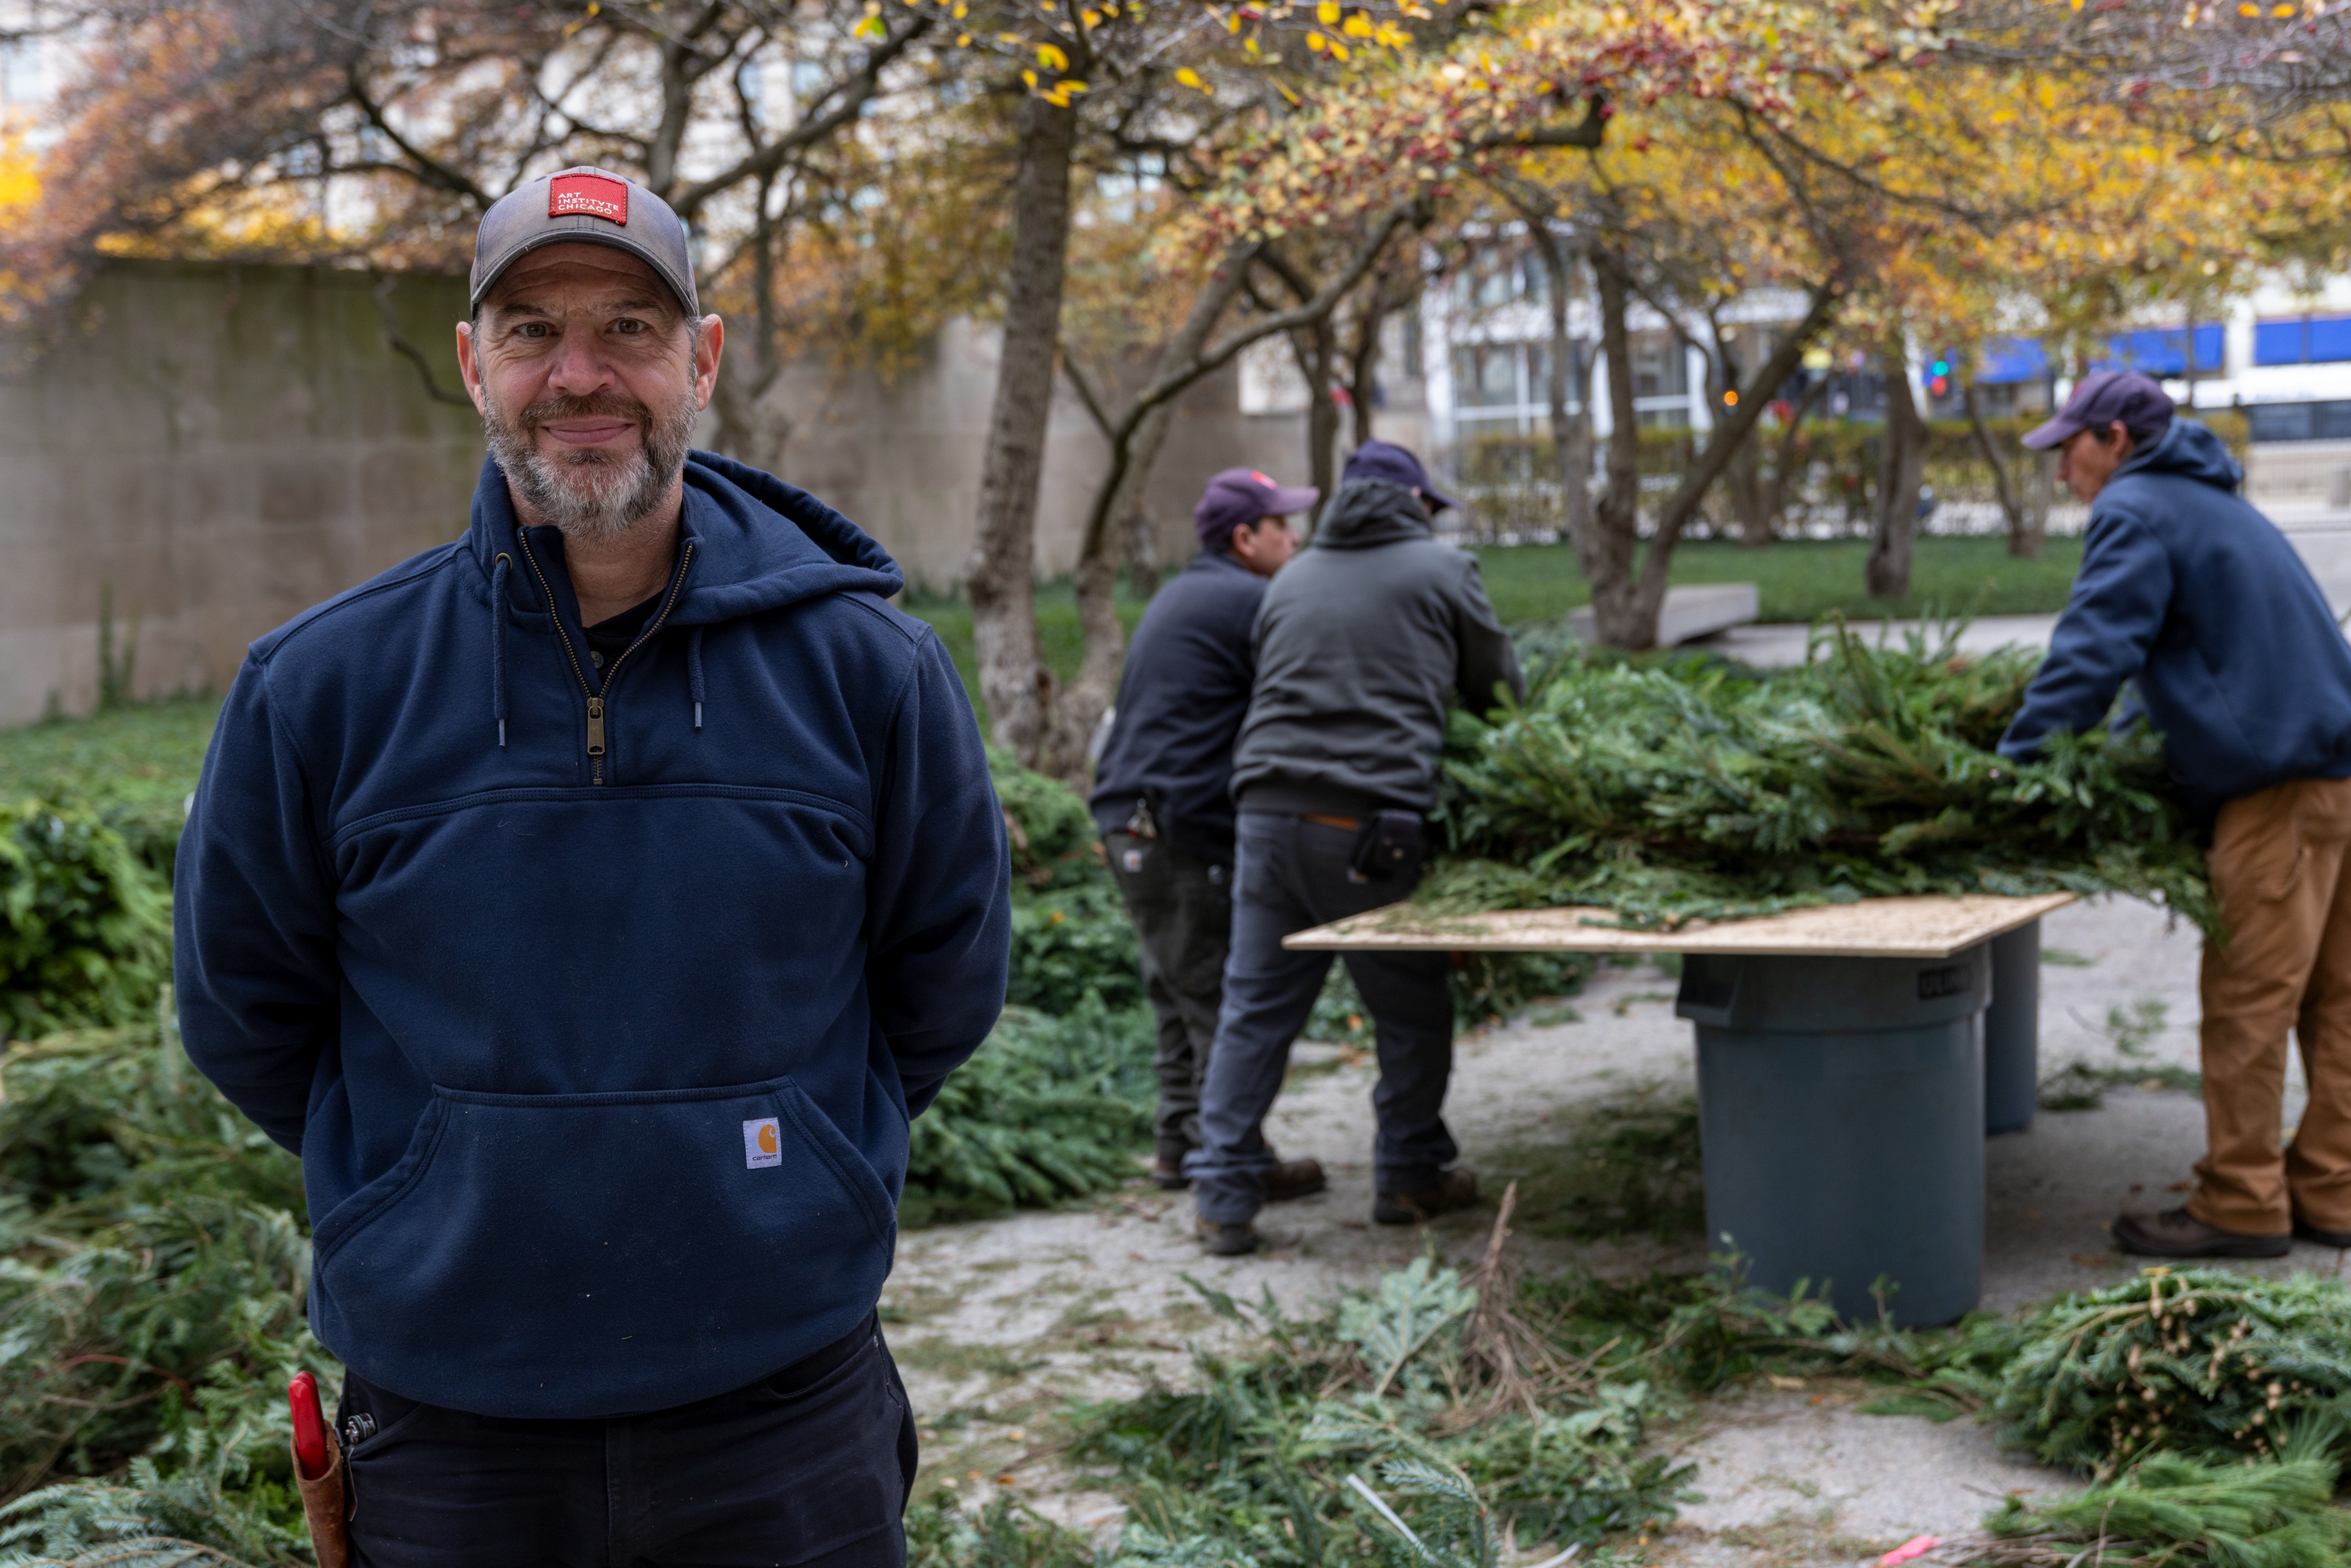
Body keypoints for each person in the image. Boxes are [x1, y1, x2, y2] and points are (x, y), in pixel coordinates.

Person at [173, 165, 1011, 1563]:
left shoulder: (871, 674)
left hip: (783, 1407)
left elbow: (944, 976)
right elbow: (245, 1009)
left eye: (629, 325)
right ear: (471, 365)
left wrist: (776, 1156)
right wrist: (438, 1177)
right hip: (451, 1428)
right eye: (531, 329)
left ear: (705, 359)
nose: (580, 372)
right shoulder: (319, 686)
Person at [1997, 370, 2351, 1260]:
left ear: (2114, 438)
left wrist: (2017, 774)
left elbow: (2093, 652)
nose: (2062, 471)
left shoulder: (2139, 507)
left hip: (2277, 792)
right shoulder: (2214, 506)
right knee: (2336, 1001)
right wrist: (2121, 755)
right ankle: (2333, 1189)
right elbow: (2174, 667)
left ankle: (2240, 1202)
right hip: (2337, 777)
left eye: (2069, 450)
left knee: (2248, 1003)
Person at [1186, 439, 1526, 1255]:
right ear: (1414, 504)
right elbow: (1502, 693)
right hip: (1369, 830)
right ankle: (1408, 1173)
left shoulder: (1291, 578)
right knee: (1410, 1007)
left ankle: (1224, 1196)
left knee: (1254, 1010)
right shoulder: (1445, 572)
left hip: (1264, 816)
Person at [1092, 469, 1328, 1197]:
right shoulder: (1251, 600)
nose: (1295, 538)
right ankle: (1236, 1162)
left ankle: (1179, 1146)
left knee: (1177, 991)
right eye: (1282, 526)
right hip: (1173, 828)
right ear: (1244, 538)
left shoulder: (1187, 591)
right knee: (1219, 1003)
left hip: (1131, 822)